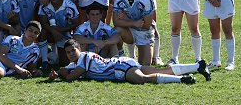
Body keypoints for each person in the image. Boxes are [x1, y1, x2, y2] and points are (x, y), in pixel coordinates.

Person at [49, 39, 211, 84]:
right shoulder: (75, 63)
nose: (70, 54)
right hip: (122, 63)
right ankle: (198, 66)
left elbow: (71, 76)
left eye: (73, 51)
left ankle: (183, 79)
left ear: (79, 49)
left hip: (120, 67)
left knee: (142, 79)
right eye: (68, 52)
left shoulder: (84, 57)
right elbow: (67, 69)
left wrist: (62, 74)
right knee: (161, 71)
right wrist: (57, 73)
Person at [113, 0, 158, 65]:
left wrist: (125, 19)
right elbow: (116, 22)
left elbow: (146, 25)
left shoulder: (145, 0)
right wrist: (134, 22)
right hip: (130, 31)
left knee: (143, 66)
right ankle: (121, 55)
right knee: (116, 31)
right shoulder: (118, 0)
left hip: (144, 33)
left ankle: (151, 56)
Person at [38, 0, 80, 66]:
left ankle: (52, 55)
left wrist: (61, 30)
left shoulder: (70, 6)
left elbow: (76, 23)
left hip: (65, 35)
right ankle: (45, 61)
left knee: (63, 63)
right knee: (42, 32)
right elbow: (43, 23)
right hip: (50, 33)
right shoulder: (44, 6)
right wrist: (54, 32)